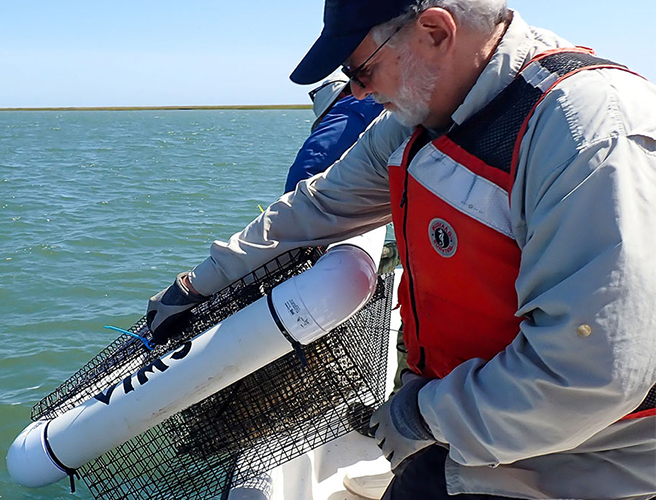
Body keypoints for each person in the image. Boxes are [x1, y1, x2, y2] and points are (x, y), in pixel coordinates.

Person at [147, 0, 656, 498]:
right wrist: (197, 285)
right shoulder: (419, 119)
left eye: (361, 69)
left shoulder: (588, 132)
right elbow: (320, 206)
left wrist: (421, 416)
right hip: (474, 424)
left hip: (594, 459)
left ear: (436, 32)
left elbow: (594, 370)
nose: (356, 91)